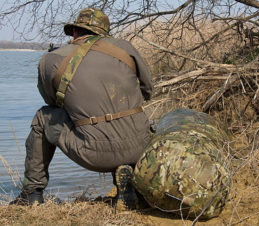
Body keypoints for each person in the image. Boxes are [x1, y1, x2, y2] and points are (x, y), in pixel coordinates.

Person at [10, 8, 153, 208]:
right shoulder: (125, 48)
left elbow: (52, 103)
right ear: (104, 32)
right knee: (128, 115)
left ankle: (31, 194)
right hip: (139, 147)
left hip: (93, 155)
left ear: (75, 32)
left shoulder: (51, 59)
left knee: (43, 117)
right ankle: (126, 181)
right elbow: (148, 90)